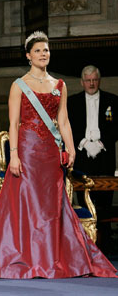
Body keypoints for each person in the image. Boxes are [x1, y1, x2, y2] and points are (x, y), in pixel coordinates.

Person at [0, 31, 117, 279]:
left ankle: (52, 257)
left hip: (51, 154)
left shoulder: (59, 85)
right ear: (29, 56)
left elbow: (63, 121)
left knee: (52, 206)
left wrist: (71, 147)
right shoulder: (18, 85)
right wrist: (14, 155)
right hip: (27, 152)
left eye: (46, 50)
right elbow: (13, 124)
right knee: (28, 205)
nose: (44, 54)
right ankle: (29, 258)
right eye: (39, 50)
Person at [67, 65, 118, 253]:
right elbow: (68, 126)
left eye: (94, 80)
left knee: (104, 204)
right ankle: (84, 246)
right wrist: (83, 142)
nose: (91, 83)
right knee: (84, 202)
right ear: (82, 82)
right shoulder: (72, 102)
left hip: (105, 158)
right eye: (88, 80)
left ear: (99, 81)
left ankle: (104, 246)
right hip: (82, 157)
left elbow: (116, 127)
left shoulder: (112, 100)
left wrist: (102, 143)